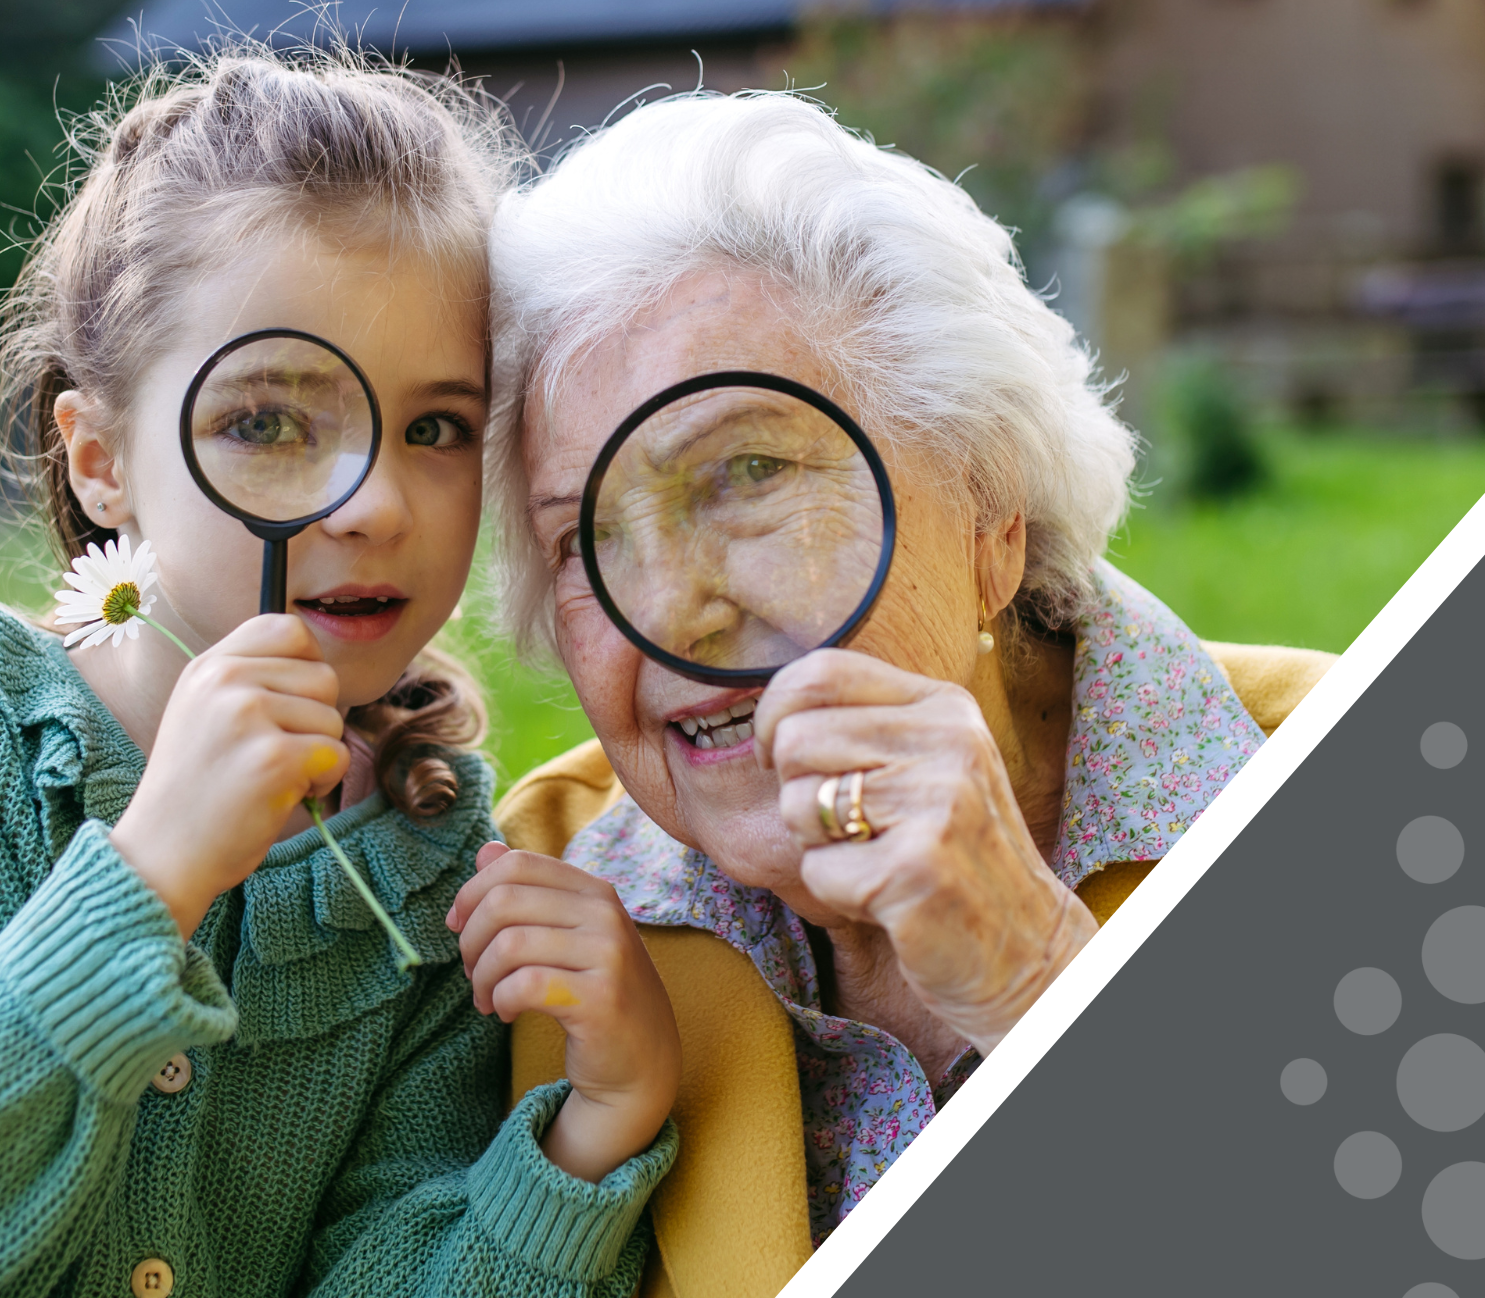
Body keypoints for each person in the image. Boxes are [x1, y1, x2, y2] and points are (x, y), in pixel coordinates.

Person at [486, 90, 1335, 1291]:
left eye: (748, 471)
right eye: (582, 540)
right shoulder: (538, 907)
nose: (671, 608)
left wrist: (1036, 983)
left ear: (992, 516)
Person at [0, 47, 680, 1297]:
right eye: (264, 420)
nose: (371, 502)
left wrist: (597, 1125)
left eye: (435, 428)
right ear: (99, 459)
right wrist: (149, 878)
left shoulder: (426, 873)